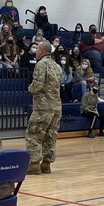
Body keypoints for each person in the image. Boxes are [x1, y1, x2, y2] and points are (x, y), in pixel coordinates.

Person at [26, 40, 62, 175]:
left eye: (37, 49)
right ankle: (46, 164)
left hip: (43, 107)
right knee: (50, 135)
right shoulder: (57, 66)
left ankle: (34, 164)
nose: (36, 52)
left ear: (41, 51)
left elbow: (38, 85)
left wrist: (30, 88)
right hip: (56, 106)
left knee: (33, 134)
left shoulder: (41, 65)